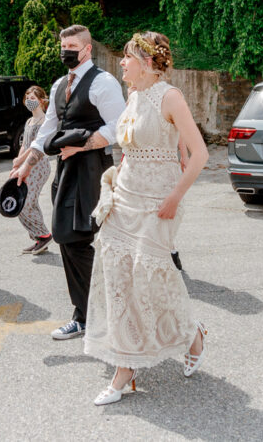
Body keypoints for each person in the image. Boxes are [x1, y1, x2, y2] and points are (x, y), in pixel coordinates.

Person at [83, 31, 210, 406]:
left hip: (159, 203)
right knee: (118, 277)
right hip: (124, 198)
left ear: (148, 62)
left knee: (152, 278)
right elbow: (134, 143)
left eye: (128, 57)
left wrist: (175, 196)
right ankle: (126, 366)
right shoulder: (133, 96)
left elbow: (201, 152)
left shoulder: (170, 96)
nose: (122, 62)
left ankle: (191, 334)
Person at [9, 24, 126, 340]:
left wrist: (83, 145)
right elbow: (47, 131)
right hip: (65, 171)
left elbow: (120, 126)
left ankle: (93, 314)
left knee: (79, 239)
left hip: (93, 171)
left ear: (87, 49)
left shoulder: (104, 83)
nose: (66, 51)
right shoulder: (60, 83)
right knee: (68, 238)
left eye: (71, 45)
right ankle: (91, 313)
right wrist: (25, 166)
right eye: (63, 45)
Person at [10, 85, 54, 254]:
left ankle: (43, 235)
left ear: (42, 101)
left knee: (26, 202)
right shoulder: (29, 121)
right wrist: (17, 161)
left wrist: (21, 160)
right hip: (25, 164)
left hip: (38, 165)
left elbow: (35, 146)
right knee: (25, 202)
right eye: (27, 97)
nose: (29, 101)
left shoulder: (44, 121)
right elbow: (24, 144)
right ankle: (39, 237)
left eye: (33, 98)